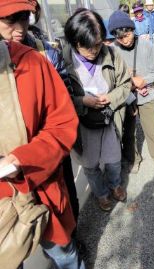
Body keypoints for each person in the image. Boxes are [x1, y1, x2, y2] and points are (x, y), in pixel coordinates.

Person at [0, 0, 84, 267]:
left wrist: (21, 159)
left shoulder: (33, 60)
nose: (19, 27)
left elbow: (62, 121)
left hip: (40, 185)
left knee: (64, 252)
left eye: (24, 17)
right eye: (9, 19)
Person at [62, 9, 132, 211]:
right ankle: (101, 193)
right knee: (90, 164)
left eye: (99, 43)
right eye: (89, 46)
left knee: (114, 159)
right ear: (76, 42)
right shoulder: (62, 61)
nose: (95, 50)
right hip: (81, 124)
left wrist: (109, 98)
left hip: (108, 118)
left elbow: (125, 84)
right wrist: (82, 101)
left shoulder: (111, 53)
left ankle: (115, 185)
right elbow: (58, 98)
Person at [108, 10, 154, 174]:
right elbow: (111, 79)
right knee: (128, 132)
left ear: (132, 30)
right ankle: (133, 159)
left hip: (146, 95)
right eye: (119, 38)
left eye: (127, 35)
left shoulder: (146, 45)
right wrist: (130, 82)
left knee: (152, 129)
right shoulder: (112, 51)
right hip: (126, 98)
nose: (124, 40)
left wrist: (143, 80)